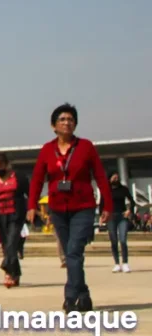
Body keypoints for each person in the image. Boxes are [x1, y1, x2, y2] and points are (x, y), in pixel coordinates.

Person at [28, 103, 112, 312]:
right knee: (69, 253)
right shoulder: (47, 150)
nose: (67, 123)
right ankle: (84, 296)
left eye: (71, 119)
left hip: (82, 206)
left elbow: (100, 176)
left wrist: (106, 205)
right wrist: (31, 205)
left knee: (74, 252)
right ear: (53, 126)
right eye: (62, 119)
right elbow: (38, 180)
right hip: (58, 208)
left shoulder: (86, 147)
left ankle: (71, 297)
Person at [0, 152, 28, 288]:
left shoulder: (19, 177)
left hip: (16, 215)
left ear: (7, 164)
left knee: (11, 243)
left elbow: (29, 192)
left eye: (0, 166)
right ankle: (16, 274)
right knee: (6, 245)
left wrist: (33, 209)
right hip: (0, 216)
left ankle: (8, 271)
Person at [102, 172, 135, 273]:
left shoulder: (123, 189)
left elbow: (132, 201)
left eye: (117, 177)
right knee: (114, 241)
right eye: (114, 177)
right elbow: (102, 203)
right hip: (111, 217)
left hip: (122, 216)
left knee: (123, 240)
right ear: (109, 178)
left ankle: (125, 263)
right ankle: (117, 264)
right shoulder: (106, 190)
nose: (116, 178)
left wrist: (129, 210)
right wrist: (102, 215)